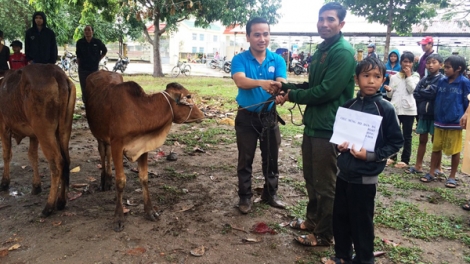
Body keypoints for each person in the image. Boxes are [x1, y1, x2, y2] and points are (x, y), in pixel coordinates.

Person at [277, 2, 356, 247]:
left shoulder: (342, 52)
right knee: (312, 178)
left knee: (326, 183)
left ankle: (323, 234)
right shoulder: (323, 48)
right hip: (314, 124)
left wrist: (291, 96)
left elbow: (326, 92)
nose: (324, 23)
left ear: (341, 24)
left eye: (330, 19)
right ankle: (312, 220)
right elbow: (312, 86)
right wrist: (285, 87)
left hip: (329, 127)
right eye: (321, 19)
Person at [325, 57, 403, 264]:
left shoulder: (385, 109)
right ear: (356, 79)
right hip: (343, 175)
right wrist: (339, 146)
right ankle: (342, 256)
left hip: (365, 179)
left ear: (383, 79)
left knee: (362, 223)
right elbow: (338, 137)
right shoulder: (348, 106)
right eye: (366, 76)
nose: (371, 81)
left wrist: (369, 156)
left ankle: (364, 259)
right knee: (340, 218)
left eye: (377, 77)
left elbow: (396, 143)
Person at [231, 17, 287, 214]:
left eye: (265, 34)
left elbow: (281, 81)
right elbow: (240, 80)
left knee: (271, 157)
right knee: (245, 159)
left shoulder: (278, 59)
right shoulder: (240, 59)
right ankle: (245, 197)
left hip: (269, 116)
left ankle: (270, 194)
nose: (262, 38)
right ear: (248, 37)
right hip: (246, 117)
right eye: (257, 34)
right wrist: (262, 82)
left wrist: (280, 93)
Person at [420, 55, 470, 188]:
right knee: (436, 147)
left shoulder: (464, 82)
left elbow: (467, 101)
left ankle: (452, 176)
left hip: (454, 121)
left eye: (448, 67)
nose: (445, 70)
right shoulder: (442, 81)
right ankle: (431, 172)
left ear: (458, 68)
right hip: (439, 120)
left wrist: (465, 117)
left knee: (455, 150)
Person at [405, 54, 444, 175]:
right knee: (422, 139)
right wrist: (426, 91)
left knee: (436, 141)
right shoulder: (424, 79)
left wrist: (425, 91)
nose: (430, 65)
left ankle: (438, 167)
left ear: (441, 65)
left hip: (435, 115)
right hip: (423, 114)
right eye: (428, 63)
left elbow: (434, 93)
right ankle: (418, 165)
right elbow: (416, 93)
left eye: (434, 62)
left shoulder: (442, 80)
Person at [384, 51, 420, 168]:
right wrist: (389, 91)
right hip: (395, 109)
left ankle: (405, 160)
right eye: (405, 61)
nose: (407, 64)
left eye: (410, 62)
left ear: (412, 63)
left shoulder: (415, 76)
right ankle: (392, 156)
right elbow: (390, 96)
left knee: (407, 135)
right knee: (393, 133)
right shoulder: (394, 77)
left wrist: (409, 75)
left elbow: (412, 90)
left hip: (409, 110)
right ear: (401, 62)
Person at [76, 25, 107, 104]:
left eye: (89, 30)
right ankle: (86, 104)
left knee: (94, 86)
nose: (87, 32)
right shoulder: (80, 42)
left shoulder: (97, 42)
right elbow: (78, 55)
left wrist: (98, 59)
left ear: (92, 32)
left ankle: (94, 103)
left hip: (93, 69)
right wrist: (80, 66)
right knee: (84, 87)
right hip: (83, 69)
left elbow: (104, 50)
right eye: (85, 30)